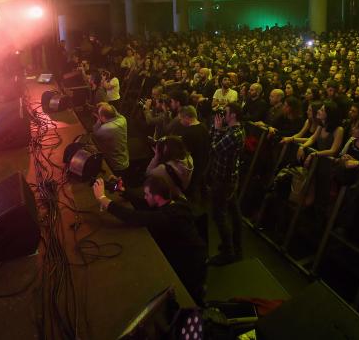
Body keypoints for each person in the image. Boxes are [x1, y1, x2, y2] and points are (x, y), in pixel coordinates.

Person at [93, 175, 207, 304]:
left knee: (189, 297)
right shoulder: (175, 202)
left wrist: (102, 198)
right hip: (196, 252)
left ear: (157, 197)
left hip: (191, 263)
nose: (145, 196)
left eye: (147, 194)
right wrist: (123, 191)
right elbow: (147, 204)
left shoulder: (166, 218)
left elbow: (134, 217)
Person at [207, 102, 245, 266]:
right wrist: (219, 128)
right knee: (234, 213)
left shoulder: (234, 134)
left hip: (224, 180)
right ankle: (236, 246)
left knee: (219, 215)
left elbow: (214, 148)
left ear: (233, 115)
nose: (224, 115)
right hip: (230, 178)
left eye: (227, 113)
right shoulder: (235, 130)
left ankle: (228, 252)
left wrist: (216, 129)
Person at [145, 136, 193, 200]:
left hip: (169, 197)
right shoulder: (189, 158)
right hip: (181, 193)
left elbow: (148, 173)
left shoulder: (164, 169)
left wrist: (156, 156)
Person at [91, 102, 129, 177]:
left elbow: (94, 132)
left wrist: (98, 119)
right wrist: (106, 105)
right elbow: (115, 112)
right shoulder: (122, 119)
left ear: (103, 117)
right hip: (124, 159)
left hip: (115, 165)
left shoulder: (105, 128)